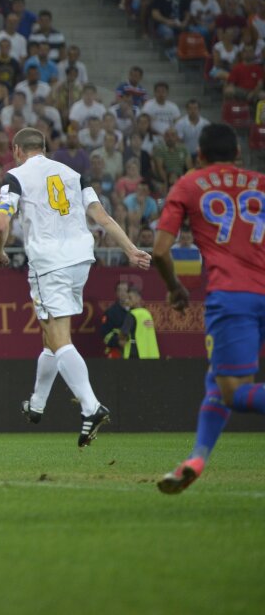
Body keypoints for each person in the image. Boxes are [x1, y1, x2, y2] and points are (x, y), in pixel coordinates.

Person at [0, 127, 150, 447]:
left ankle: (91, 407)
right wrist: (130, 249)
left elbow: (1, 223)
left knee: (58, 337)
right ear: (44, 148)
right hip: (81, 260)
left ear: (17, 150)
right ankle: (36, 404)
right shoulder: (74, 174)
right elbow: (102, 216)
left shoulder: (15, 177)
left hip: (49, 262)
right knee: (51, 337)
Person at [152, 124, 265, 494]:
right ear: (238, 154)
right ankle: (196, 458)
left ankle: (197, 457)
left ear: (198, 155)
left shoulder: (189, 184)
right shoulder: (260, 182)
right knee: (215, 380)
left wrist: (175, 288)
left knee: (236, 392)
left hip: (233, 297)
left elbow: (160, 250)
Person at [120, 287, 159, 359]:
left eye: (130, 298)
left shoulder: (132, 314)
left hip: (134, 353)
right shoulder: (147, 314)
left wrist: (121, 339)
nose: (127, 301)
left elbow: (124, 333)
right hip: (149, 353)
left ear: (138, 299)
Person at [100, 281, 131, 359]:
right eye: (120, 290)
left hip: (135, 351)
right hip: (117, 352)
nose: (123, 293)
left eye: (125, 290)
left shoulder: (137, 310)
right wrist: (118, 341)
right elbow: (105, 334)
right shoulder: (110, 312)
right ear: (116, 293)